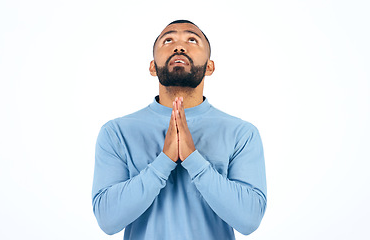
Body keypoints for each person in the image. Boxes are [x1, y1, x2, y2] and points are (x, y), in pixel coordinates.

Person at [92, 20, 267, 240]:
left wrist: (193, 158)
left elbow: (249, 220)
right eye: (168, 40)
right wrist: (164, 160)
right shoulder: (116, 132)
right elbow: (108, 220)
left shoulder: (242, 133)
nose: (179, 47)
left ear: (210, 66)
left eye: (192, 40)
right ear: (152, 67)